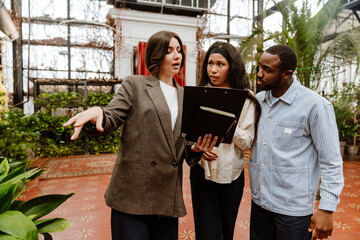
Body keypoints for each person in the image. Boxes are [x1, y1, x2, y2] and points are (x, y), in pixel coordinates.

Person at [63, 30, 216, 240]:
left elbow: (183, 142)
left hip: (167, 194)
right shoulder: (135, 85)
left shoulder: (186, 95)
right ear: (156, 54)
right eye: (169, 50)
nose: (177, 56)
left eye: (179, 50)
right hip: (133, 192)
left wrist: (195, 148)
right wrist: (98, 113)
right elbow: (112, 116)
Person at [249, 44, 344, 240]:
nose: (259, 74)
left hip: (293, 212)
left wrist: (327, 208)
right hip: (260, 204)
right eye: (259, 67)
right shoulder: (257, 102)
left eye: (267, 70)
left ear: (286, 74)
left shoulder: (315, 107)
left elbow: (331, 161)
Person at [188, 41, 261, 240]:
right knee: (207, 234)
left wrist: (227, 119)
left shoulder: (248, 100)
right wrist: (199, 148)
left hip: (233, 176)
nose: (213, 69)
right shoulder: (199, 94)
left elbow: (246, 142)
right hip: (203, 174)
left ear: (232, 67)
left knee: (227, 232)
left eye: (220, 64)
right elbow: (187, 135)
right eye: (210, 63)